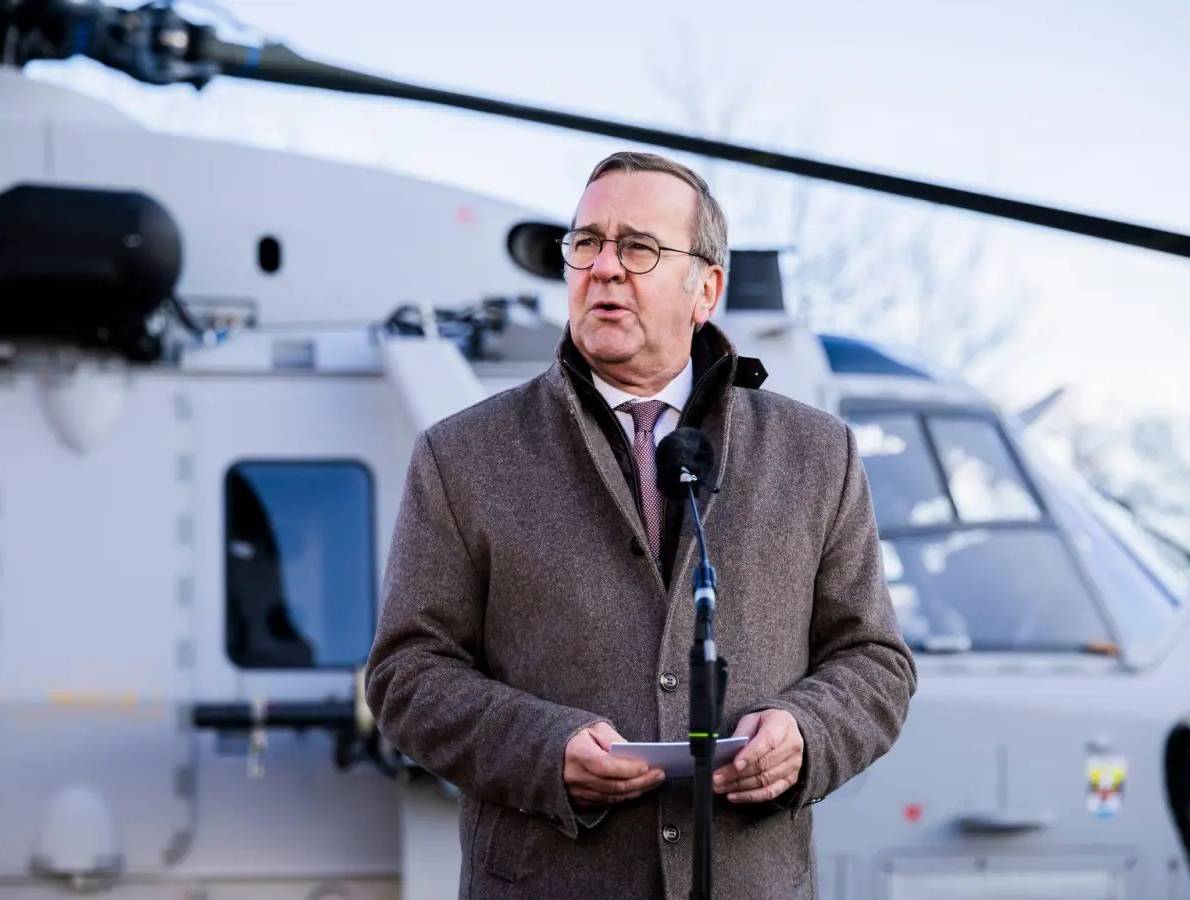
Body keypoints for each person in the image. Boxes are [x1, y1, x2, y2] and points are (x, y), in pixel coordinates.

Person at [364, 150, 917, 899]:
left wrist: (806, 735)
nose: (605, 268)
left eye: (639, 247)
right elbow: (407, 674)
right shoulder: (462, 455)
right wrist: (545, 750)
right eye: (586, 243)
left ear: (706, 289)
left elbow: (875, 662)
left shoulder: (816, 454)